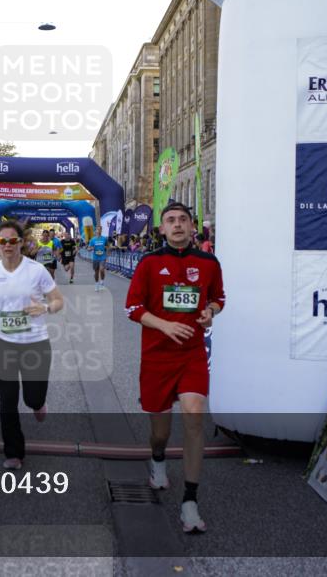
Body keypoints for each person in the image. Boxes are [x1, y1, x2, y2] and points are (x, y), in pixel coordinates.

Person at [125, 201, 225, 535]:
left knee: (195, 418)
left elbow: (219, 298)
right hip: (156, 357)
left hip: (192, 355)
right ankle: (157, 458)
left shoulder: (209, 262)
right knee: (161, 433)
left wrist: (210, 310)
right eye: (171, 220)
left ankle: (190, 501)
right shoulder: (149, 263)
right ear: (162, 229)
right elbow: (133, 308)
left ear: (193, 227)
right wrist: (164, 325)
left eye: (184, 219)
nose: (178, 224)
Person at [0, 220, 64, 470]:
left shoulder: (36, 270)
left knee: (32, 399)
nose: (7, 245)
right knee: (7, 400)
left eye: (12, 241)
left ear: (21, 243)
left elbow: (58, 300)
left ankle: (38, 403)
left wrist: (46, 307)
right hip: (2, 344)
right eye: (2, 241)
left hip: (35, 344)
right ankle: (14, 452)